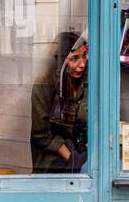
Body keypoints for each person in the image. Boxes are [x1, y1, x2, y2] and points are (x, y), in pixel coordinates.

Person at [30, 33, 89, 173]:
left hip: (82, 153)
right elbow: (41, 135)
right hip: (52, 159)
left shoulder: (86, 82)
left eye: (84, 57)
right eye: (74, 59)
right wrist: (72, 158)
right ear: (61, 61)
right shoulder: (44, 83)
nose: (82, 65)